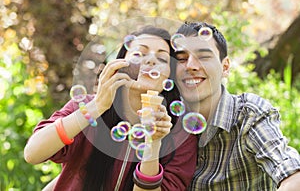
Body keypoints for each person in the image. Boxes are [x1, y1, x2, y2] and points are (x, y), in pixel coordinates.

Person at [24, 25, 198, 191]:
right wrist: (97, 106)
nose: (151, 59)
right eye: (140, 53)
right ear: (120, 63)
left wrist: (153, 144)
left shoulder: (179, 133)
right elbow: (33, 153)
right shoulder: (85, 106)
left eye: (162, 58)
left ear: (170, 75)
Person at [171, 21, 300, 190]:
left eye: (203, 57)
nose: (190, 66)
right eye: (181, 59)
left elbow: (290, 173)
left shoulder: (248, 114)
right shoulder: (167, 121)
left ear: (225, 67)